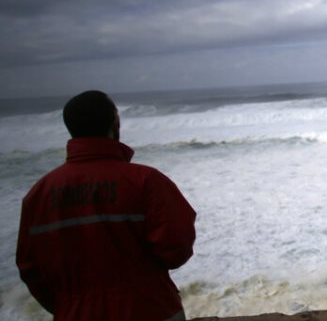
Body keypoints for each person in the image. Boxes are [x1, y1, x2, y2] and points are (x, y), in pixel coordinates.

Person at [17, 90, 197, 321]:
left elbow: (30, 268)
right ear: (115, 122)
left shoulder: (39, 194)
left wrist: (68, 304)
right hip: (150, 308)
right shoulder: (146, 181)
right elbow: (176, 249)